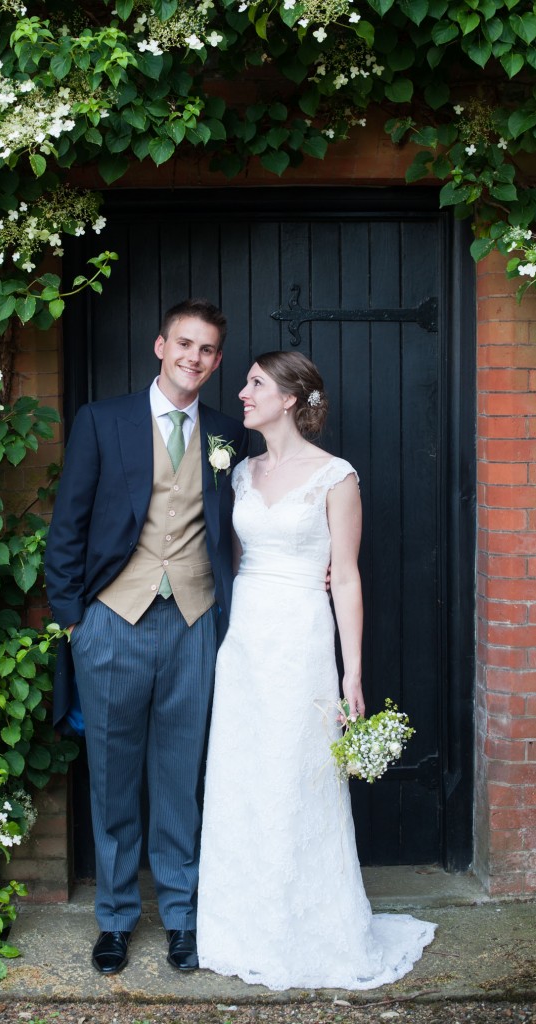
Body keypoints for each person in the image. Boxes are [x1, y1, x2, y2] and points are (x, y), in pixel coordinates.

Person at [196, 350, 436, 991]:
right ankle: (237, 927)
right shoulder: (240, 474)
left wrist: (352, 674)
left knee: (298, 775)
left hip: (302, 639)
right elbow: (236, 560)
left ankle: (308, 927)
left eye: (255, 384)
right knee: (244, 776)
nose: (242, 393)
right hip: (245, 639)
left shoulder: (336, 477)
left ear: (291, 399)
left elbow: (347, 575)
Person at [44, 299, 248, 976]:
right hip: (112, 622)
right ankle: (116, 919)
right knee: (112, 780)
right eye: (184, 343)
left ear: (217, 362)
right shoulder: (103, 421)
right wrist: (75, 621)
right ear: (160, 346)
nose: (195, 357)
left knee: (180, 779)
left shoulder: (226, 433)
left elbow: (242, 525)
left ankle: (183, 918)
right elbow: (67, 524)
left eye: (208, 350)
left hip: (193, 622)